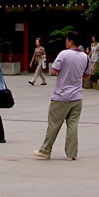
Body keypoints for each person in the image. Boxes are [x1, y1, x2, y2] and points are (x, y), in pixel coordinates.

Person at [34, 31, 91, 160]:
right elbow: (88, 74)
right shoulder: (85, 57)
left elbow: (53, 70)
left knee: (54, 124)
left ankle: (45, 149)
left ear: (71, 41)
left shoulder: (63, 54)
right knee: (72, 125)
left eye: (67, 40)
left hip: (61, 96)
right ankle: (71, 154)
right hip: (77, 96)